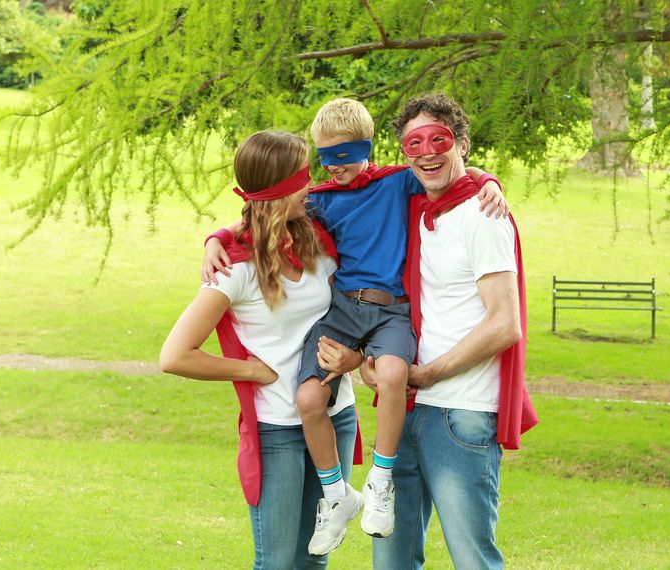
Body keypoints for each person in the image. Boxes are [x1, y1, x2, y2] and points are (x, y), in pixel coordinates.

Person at [201, 98, 509, 555]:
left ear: (368, 147)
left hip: (391, 312)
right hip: (345, 311)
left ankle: (380, 479)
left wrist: (490, 182)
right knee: (307, 395)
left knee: (390, 375)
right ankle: (337, 495)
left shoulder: (397, 182)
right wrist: (218, 238)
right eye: (326, 158)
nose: (336, 167)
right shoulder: (320, 200)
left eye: (346, 155)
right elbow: (264, 208)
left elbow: (450, 174)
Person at [160, 130, 365, 569]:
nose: (311, 185)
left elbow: (352, 315)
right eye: (301, 178)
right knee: (276, 562)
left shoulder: (315, 239)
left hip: (336, 415)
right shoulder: (235, 271)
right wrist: (252, 372)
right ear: (278, 190)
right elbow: (174, 355)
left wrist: (356, 357)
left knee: (314, 560)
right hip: (278, 430)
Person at [362, 93, 539, 570]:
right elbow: (317, 199)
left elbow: (505, 324)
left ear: (462, 143)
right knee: (390, 560)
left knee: (472, 560)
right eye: (413, 143)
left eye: (438, 139)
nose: (426, 152)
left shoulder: (484, 215)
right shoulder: (415, 206)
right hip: (405, 409)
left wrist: (431, 373)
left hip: (460, 413)